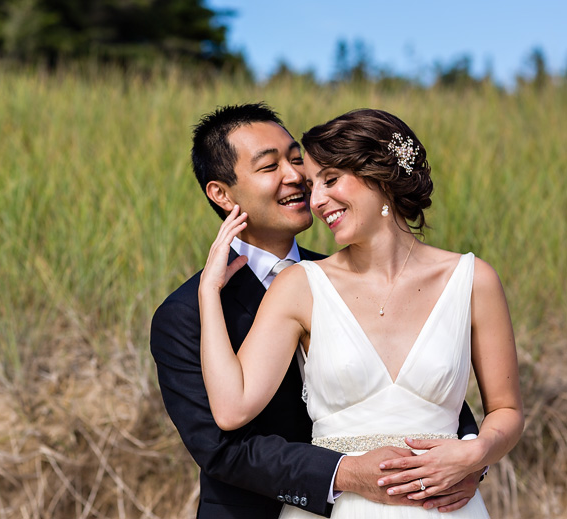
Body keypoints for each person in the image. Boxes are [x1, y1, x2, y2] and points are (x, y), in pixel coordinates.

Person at [151, 103, 485, 519]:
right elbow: (223, 449)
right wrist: (345, 473)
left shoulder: (345, 276)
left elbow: (426, 386)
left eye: (296, 161)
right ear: (221, 193)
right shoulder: (184, 315)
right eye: (269, 166)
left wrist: (470, 459)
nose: (295, 177)